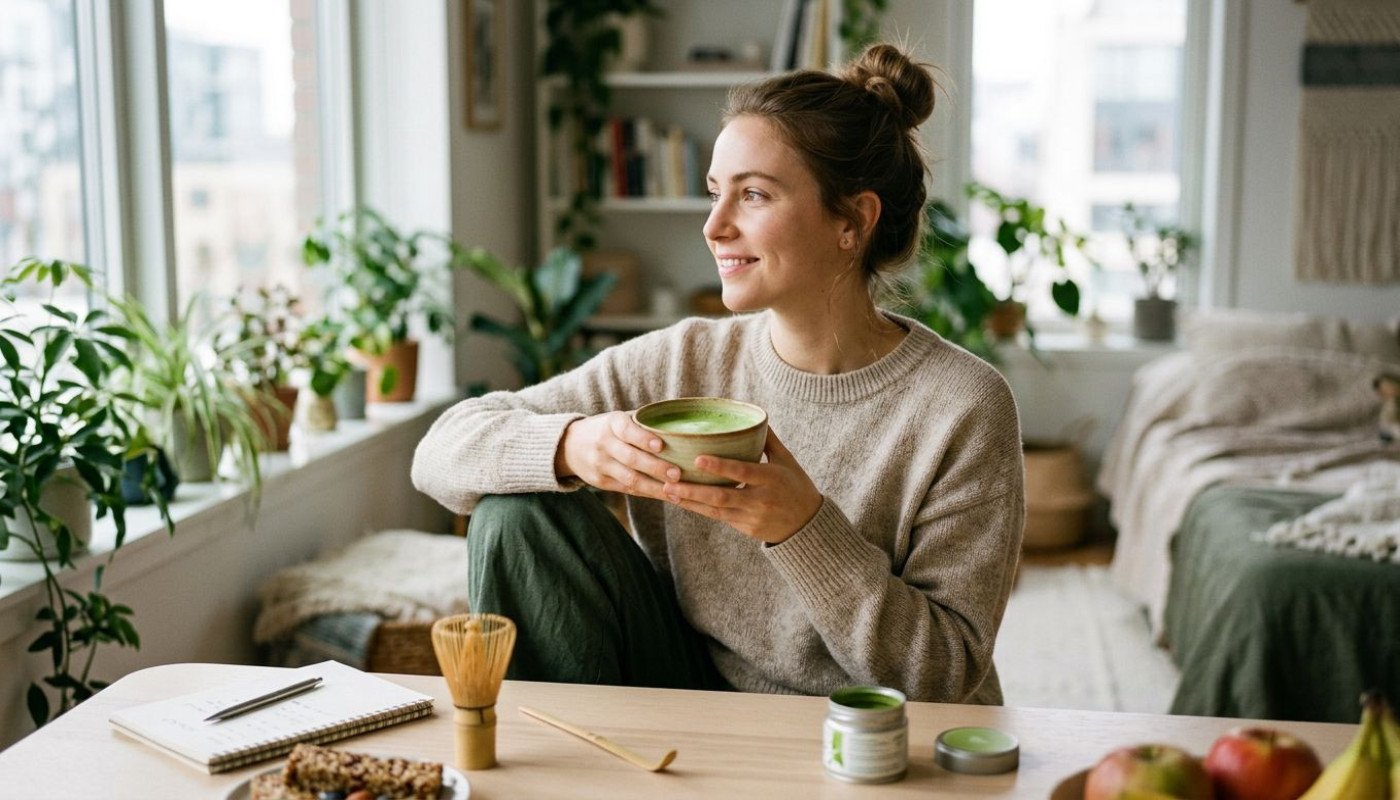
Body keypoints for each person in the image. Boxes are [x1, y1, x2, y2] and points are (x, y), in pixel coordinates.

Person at [411, 44, 1024, 704]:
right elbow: (439, 453)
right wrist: (572, 446)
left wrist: (802, 527)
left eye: (753, 194)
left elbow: (945, 673)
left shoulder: (963, 405)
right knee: (514, 516)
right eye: (714, 193)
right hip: (696, 696)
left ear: (853, 220)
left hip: (876, 733)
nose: (714, 226)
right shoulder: (683, 359)